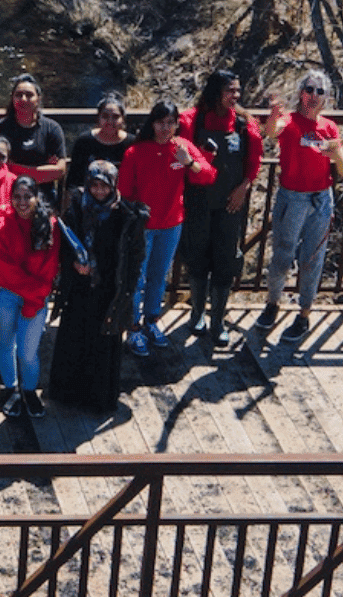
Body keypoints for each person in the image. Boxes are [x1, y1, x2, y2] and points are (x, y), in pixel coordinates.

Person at [254, 70, 343, 343]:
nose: (314, 96)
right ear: (300, 93)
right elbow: (273, 131)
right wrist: (272, 116)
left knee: (313, 259)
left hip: (320, 199)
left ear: (327, 98)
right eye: (309, 89)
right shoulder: (291, 121)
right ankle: (273, 304)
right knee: (282, 256)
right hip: (292, 197)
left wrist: (337, 155)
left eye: (320, 92)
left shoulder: (329, 128)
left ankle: (304, 314)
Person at [47, 160, 146, 414]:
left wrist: (127, 293)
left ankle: (98, 399)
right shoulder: (77, 208)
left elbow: (134, 257)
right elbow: (64, 246)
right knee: (74, 340)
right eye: (94, 185)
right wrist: (73, 265)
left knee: (103, 346)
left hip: (109, 291)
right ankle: (67, 395)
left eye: (104, 186)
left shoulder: (127, 215)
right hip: (79, 288)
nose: (99, 191)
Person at [118, 100, 214, 356]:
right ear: (152, 123)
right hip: (143, 227)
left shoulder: (183, 147)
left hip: (172, 224)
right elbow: (125, 191)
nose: (165, 128)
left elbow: (208, 175)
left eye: (171, 123)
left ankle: (151, 321)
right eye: (161, 123)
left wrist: (189, 163)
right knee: (137, 278)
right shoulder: (135, 152)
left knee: (158, 276)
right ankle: (133, 327)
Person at [178, 71, 264, 345]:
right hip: (199, 200)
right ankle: (196, 314)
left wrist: (244, 187)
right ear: (215, 91)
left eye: (238, 91)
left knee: (225, 261)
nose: (235, 96)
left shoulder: (244, 124)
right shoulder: (193, 119)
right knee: (197, 257)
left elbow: (254, 161)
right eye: (230, 90)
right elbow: (182, 152)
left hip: (230, 204)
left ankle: (218, 321)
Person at [0, 176, 60, 419]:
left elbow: (50, 268)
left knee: (28, 352)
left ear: (37, 197)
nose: (22, 202)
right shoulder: (0, 224)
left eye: (28, 196)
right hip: (6, 293)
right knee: (6, 344)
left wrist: (35, 299)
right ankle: (11, 389)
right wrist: (34, 294)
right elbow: (6, 270)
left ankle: (29, 391)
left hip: (36, 297)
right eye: (17, 196)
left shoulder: (51, 225)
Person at [0, 73, 67, 199]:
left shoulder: (52, 128)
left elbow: (60, 170)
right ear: (12, 98)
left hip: (43, 195)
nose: (23, 99)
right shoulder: (0, 128)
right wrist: (43, 171)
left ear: (38, 98)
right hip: (7, 193)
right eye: (19, 95)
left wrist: (14, 168)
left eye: (29, 95)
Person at [65, 93, 132, 200]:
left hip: (122, 204)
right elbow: (73, 181)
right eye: (105, 116)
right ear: (98, 118)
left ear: (123, 119)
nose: (110, 122)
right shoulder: (84, 141)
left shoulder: (132, 144)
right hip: (87, 203)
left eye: (115, 117)